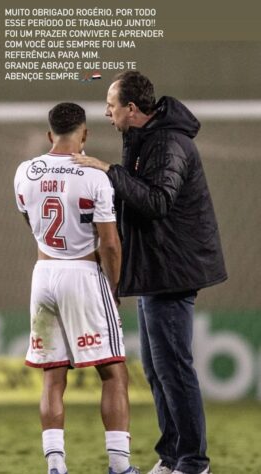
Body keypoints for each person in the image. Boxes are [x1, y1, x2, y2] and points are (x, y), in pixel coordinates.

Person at [72, 71, 228, 474]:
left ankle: (193, 462)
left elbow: (157, 201)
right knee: (158, 371)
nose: (107, 112)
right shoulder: (146, 140)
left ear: (132, 108)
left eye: (111, 104)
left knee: (174, 368)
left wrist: (110, 172)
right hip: (157, 269)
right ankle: (172, 455)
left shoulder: (169, 143)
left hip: (173, 272)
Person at [14, 102, 140, 474]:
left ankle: (56, 466)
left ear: (50, 135)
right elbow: (110, 244)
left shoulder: (25, 172)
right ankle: (119, 466)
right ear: (84, 134)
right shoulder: (94, 176)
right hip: (84, 274)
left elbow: (31, 222)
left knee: (53, 377)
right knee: (113, 371)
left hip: (44, 274)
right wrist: (113, 288)